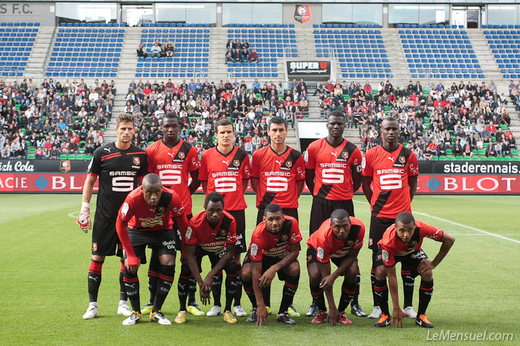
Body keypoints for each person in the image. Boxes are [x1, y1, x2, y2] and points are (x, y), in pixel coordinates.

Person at [77, 113, 148, 320]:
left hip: (129, 220)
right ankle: (93, 305)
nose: (127, 132)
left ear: (135, 130)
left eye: (130, 128)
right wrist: (84, 209)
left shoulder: (140, 155)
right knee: (97, 257)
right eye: (123, 128)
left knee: (127, 261)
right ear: (116, 130)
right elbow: (89, 182)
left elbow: (144, 187)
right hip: (105, 218)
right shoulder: (102, 153)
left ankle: (123, 303)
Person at [304, 110, 364, 318]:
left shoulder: (353, 151)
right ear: (327, 125)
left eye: (339, 123)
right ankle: (316, 302)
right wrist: (321, 194)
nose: (336, 127)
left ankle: (354, 302)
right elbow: (309, 176)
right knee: (317, 249)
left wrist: (344, 193)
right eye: (332, 124)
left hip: (344, 204)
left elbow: (357, 181)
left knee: (350, 255)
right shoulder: (313, 148)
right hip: (321, 204)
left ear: (344, 125)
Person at [362, 116, 419, 321]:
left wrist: (405, 206)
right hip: (379, 217)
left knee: (407, 260)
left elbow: (412, 184)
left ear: (399, 130)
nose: (391, 132)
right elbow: (366, 183)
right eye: (388, 129)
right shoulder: (370, 155)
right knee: (377, 261)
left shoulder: (408, 155)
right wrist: (375, 205)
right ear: (381, 131)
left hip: (402, 219)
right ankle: (378, 307)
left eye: (395, 128)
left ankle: (409, 306)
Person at [146, 113, 202, 318]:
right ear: (161, 128)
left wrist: (183, 195)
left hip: (184, 212)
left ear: (180, 128)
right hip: (160, 214)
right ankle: (152, 301)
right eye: (166, 126)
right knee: (156, 256)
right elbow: (148, 181)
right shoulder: (152, 150)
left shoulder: (189, 149)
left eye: (174, 126)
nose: (170, 130)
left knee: (189, 256)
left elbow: (196, 179)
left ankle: (191, 301)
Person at [116, 173, 188, 325]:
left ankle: (156, 311)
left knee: (169, 262)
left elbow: (183, 224)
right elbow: (120, 224)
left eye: (157, 192)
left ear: (162, 189)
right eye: (149, 192)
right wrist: (130, 254)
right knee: (130, 264)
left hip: (162, 231)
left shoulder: (172, 197)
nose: (153, 196)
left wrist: (185, 249)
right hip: (137, 230)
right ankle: (135, 313)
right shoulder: (132, 198)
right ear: (142, 189)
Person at [251, 116, 305, 316]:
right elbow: (256, 183)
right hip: (266, 211)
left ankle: (287, 305)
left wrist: (287, 202)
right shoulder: (258, 155)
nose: (278, 134)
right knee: (262, 258)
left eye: (281, 130)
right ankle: (263, 304)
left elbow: (299, 185)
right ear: (268, 132)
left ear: (287, 132)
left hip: (289, 210)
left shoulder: (296, 156)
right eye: (274, 130)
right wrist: (268, 206)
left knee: (289, 257)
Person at [198, 119, 251, 318]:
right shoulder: (207, 156)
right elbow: (205, 185)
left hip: (236, 212)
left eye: (229, 132)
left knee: (235, 258)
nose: (226, 135)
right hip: (214, 214)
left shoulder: (242, 155)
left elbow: (245, 183)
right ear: (216, 135)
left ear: (233, 133)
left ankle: (236, 303)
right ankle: (217, 304)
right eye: (222, 132)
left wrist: (233, 201)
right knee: (216, 257)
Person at [374, 212, 455, 328]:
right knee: (380, 272)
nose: (406, 235)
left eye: (410, 230)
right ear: (395, 228)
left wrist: (434, 263)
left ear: (415, 228)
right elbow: (392, 277)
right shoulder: (388, 241)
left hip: (411, 251)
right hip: (391, 251)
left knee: (427, 272)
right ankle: (385, 315)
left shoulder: (422, 228)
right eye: (402, 230)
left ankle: (421, 316)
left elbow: (450, 240)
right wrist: (396, 307)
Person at [184, 192, 239, 324]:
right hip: (200, 247)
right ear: (205, 208)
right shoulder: (195, 222)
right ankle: (182, 310)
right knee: (185, 268)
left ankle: (227, 310)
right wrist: (201, 283)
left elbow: (230, 253)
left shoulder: (230, 221)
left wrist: (210, 274)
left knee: (233, 268)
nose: (215, 214)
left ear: (223, 209)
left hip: (218, 248)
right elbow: (189, 254)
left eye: (218, 210)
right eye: (211, 210)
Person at [241, 204, 302, 325]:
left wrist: (274, 268)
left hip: (281, 255)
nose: (275, 223)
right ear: (264, 220)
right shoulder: (258, 235)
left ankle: (283, 312)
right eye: (270, 219)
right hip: (262, 257)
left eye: (278, 219)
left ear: (283, 218)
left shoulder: (291, 223)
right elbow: (255, 271)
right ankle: (256, 309)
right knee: (246, 273)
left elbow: (295, 251)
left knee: (295, 268)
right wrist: (260, 304)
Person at [306, 209, 365, 326]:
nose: (342, 231)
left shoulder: (359, 228)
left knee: (353, 270)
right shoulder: (323, 237)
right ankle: (322, 310)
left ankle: (341, 311)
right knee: (315, 275)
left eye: (345, 226)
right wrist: (331, 306)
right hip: (318, 246)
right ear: (331, 225)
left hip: (344, 250)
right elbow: (326, 276)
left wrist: (334, 275)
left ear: (350, 224)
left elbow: (352, 256)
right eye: (337, 227)